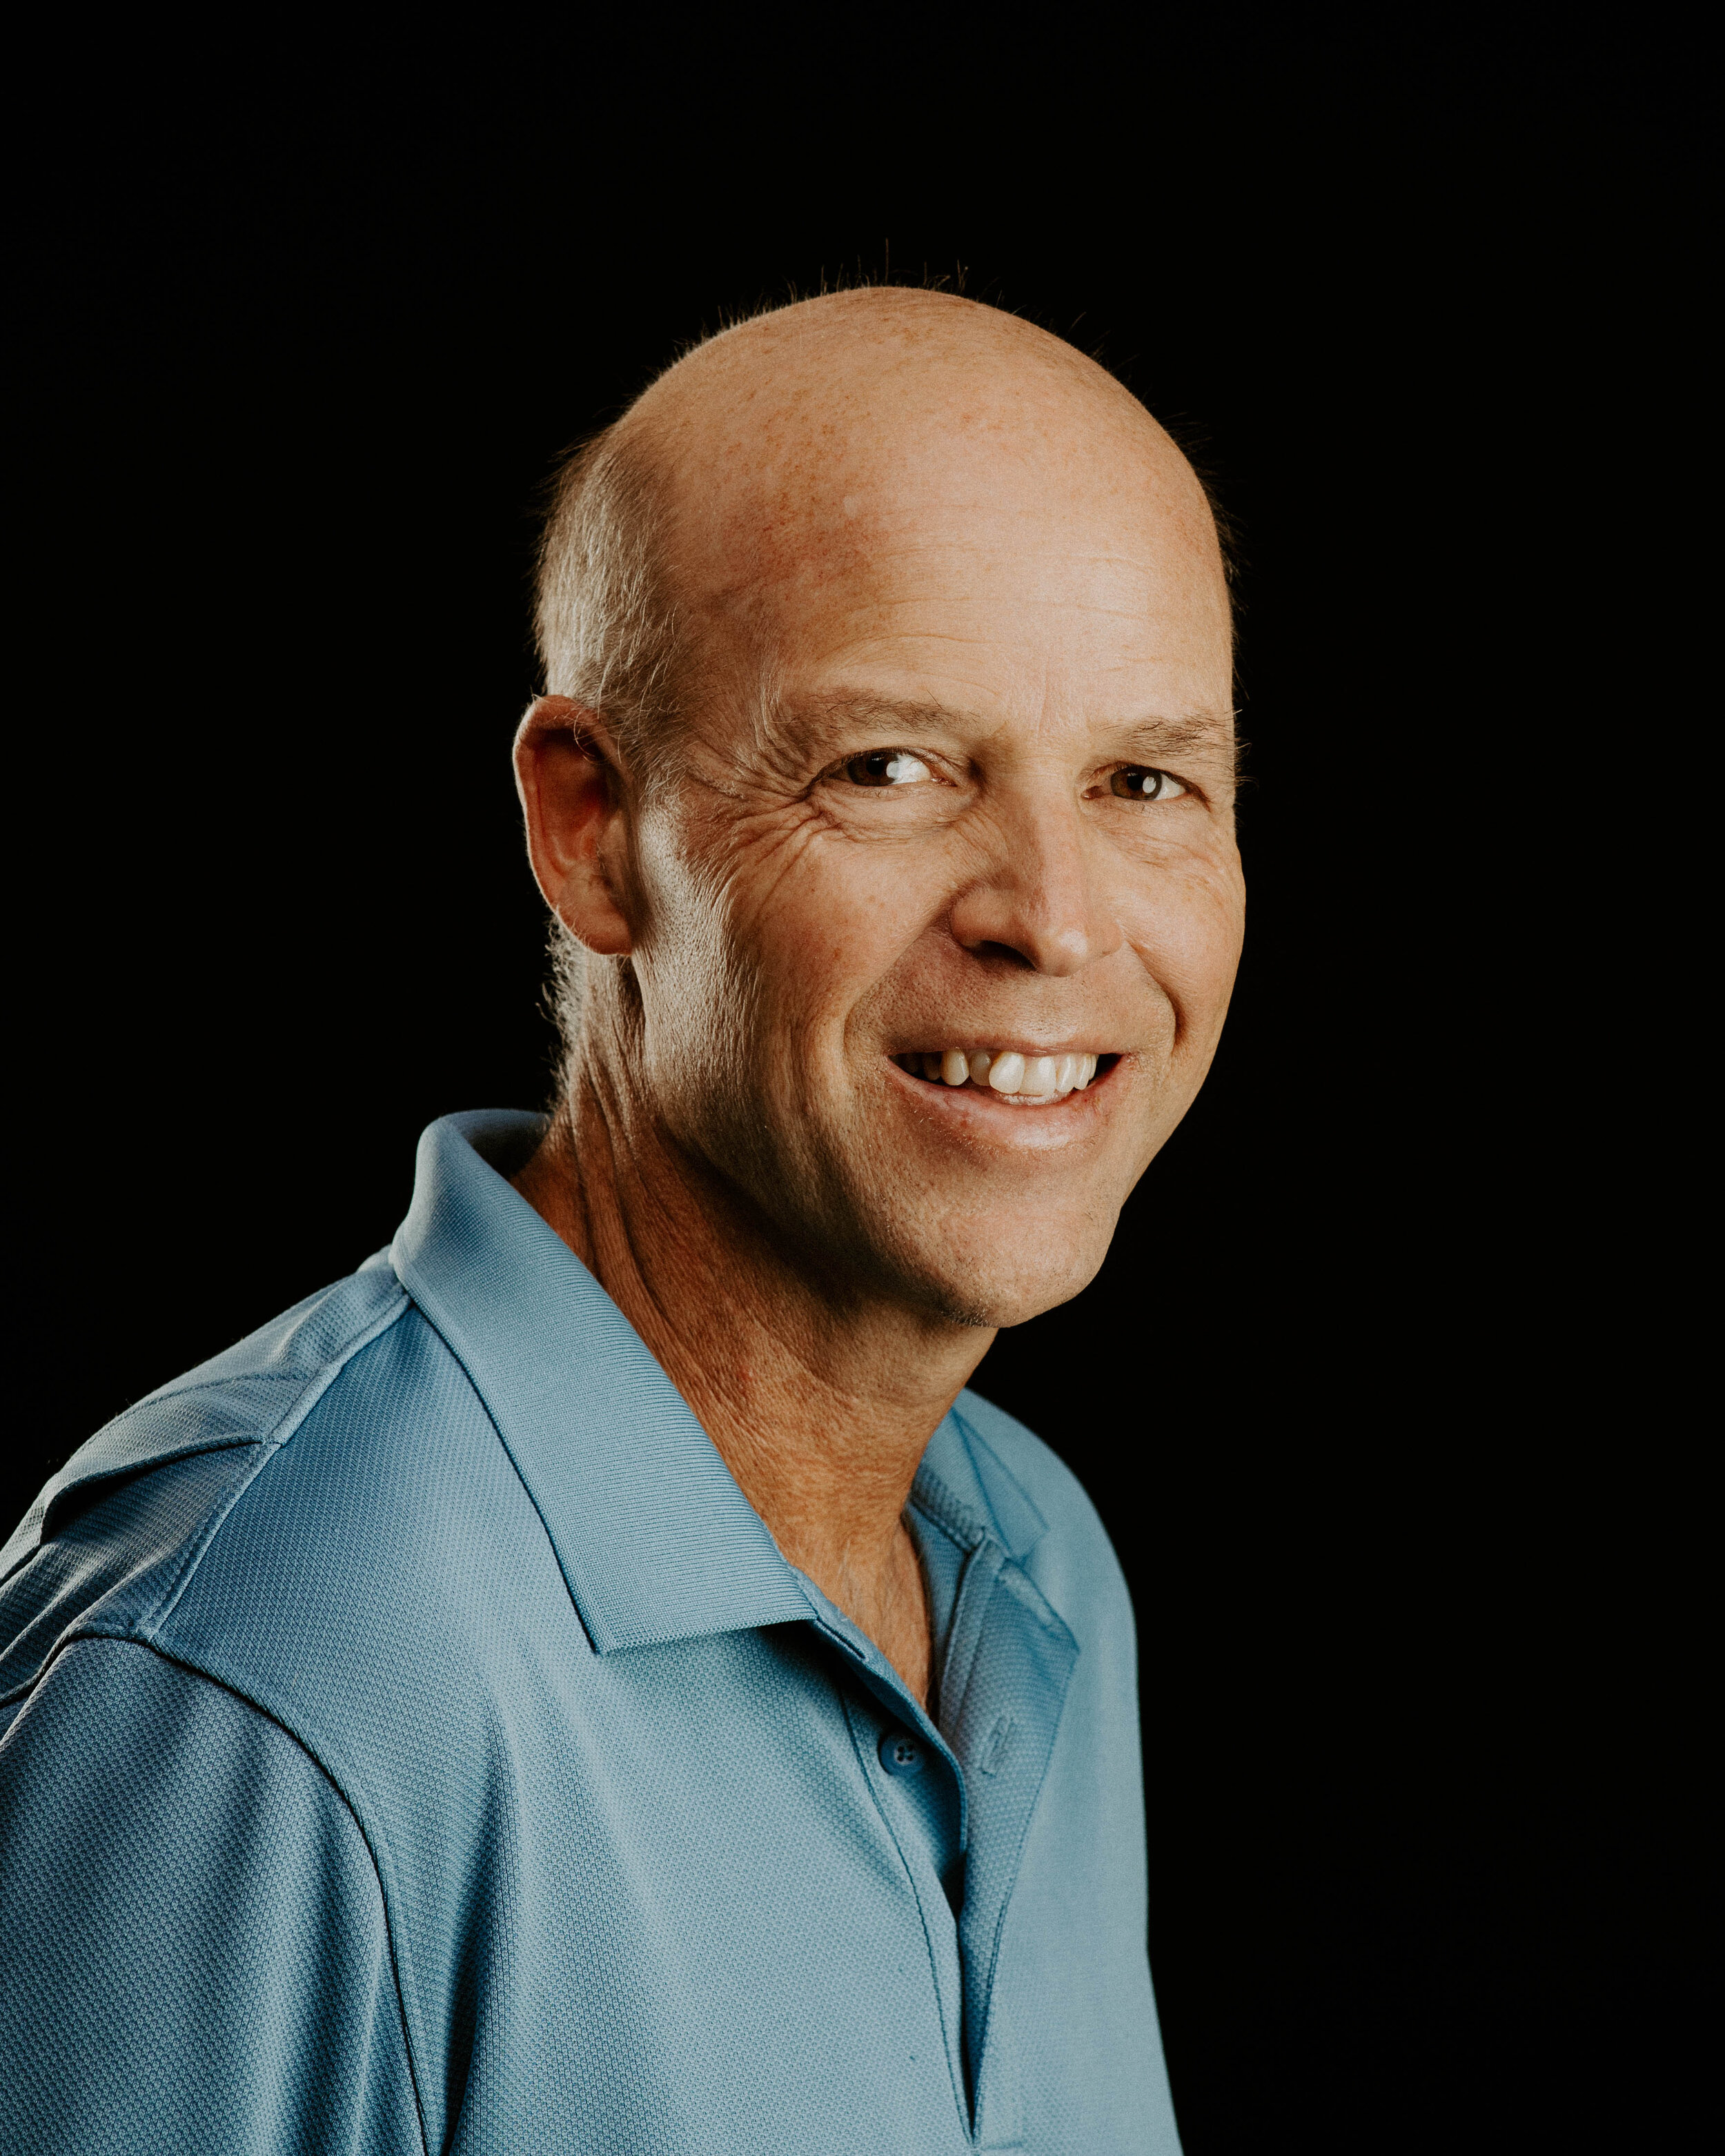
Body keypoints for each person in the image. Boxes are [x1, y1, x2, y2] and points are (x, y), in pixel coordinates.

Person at [0, 286, 1243, 2154]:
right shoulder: (261, 1675)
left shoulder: (1040, 1568)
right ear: (590, 828)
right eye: (890, 768)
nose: (1055, 922)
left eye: (1144, 781)